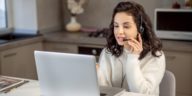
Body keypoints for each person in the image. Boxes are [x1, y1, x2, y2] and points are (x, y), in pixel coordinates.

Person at [97, 1, 165, 96]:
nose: (119, 32)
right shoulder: (108, 52)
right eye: (116, 26)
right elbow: (104, 91)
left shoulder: (155, 55)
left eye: (126, 26)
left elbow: (142, 93)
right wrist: (98, 74)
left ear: (140, 29)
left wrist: (133, 57)